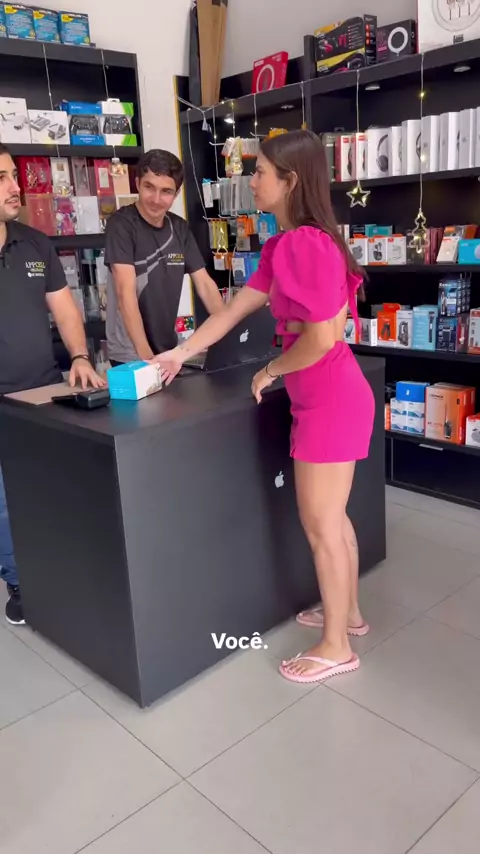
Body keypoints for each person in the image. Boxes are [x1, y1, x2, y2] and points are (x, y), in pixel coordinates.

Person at [152, 130, 375, 686]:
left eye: (260, 172)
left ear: (289, 181)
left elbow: (321, 339)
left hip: (328, 399)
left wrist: (270, 369)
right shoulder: (291, 244)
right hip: (334, 394)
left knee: (321, 525)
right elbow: (232, 312)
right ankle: (347, 613)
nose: (250, 181)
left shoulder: (303, 244)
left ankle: (336, 647)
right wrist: (181, 352)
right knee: (334, 519)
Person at [0, 144, 105, 626]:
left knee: (55, 486)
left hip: (41, 391)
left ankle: (63, 569)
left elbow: (64, 309)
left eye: (12, 174)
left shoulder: (35, 243)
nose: (15, 186)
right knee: (5, 504)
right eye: (2, 178)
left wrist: (80, 356)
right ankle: (21, 583)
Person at [104, 149, 224, 365]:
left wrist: (227, 330)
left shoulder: (179, 227)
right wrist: (147, 358)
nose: (156, 199)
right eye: (149, 187)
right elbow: (125, 293)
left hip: (168, 348)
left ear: (176, 194)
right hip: (130, 353)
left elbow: (205, 285)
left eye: (166, 191)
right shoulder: (121, 225)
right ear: (137, 183)